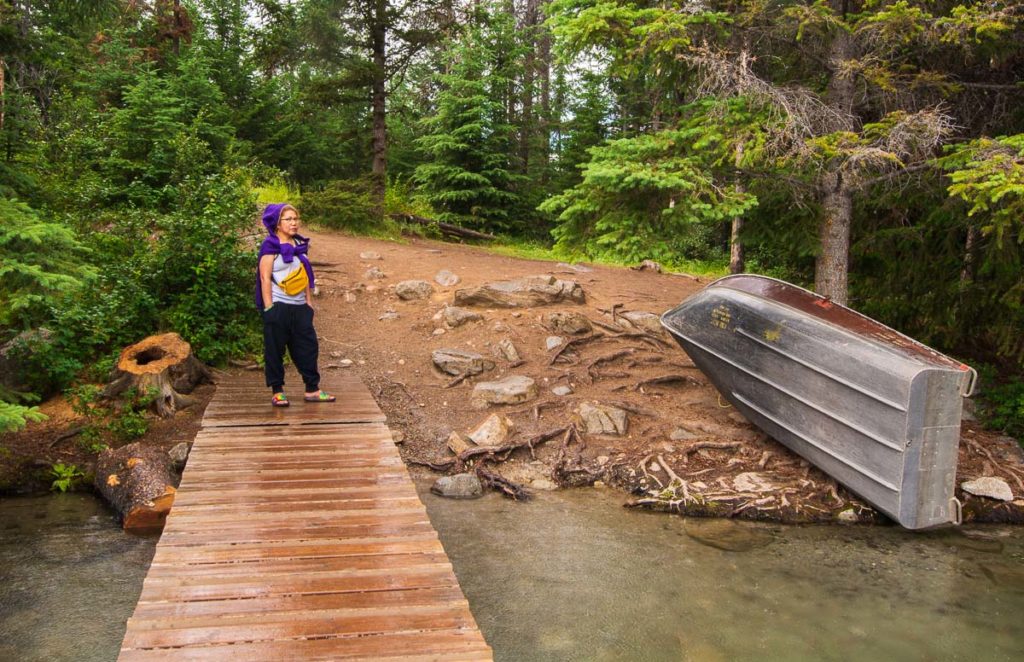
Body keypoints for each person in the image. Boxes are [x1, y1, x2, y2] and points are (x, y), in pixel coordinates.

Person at [256, 203, 335, 407]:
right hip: (278, 305)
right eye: (289, 219)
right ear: (277, 223)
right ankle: (277, 391)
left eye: (295, 218)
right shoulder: (270, 246)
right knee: (275, 348)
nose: (294, 223)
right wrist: (269, 308)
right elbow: (265, 278)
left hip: (300, 306)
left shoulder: (300, 244)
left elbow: (305, 275)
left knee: (308, 347)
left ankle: (312, 389)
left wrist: (309, 303)